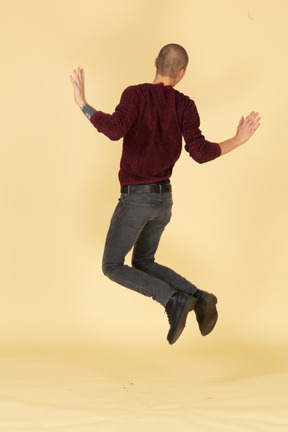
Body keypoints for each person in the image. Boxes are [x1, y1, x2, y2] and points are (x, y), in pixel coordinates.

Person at [69, 44, 260, 345]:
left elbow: (114, 129)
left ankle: (173, 299)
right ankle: (201, 298)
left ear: (156, 62)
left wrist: (83, 103)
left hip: (136, 199)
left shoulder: (135, 94)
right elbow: (200, 152)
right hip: (163, 201)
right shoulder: (185, 105)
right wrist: (237, 139)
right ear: (181, 72)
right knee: (143, 261)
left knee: (112, 265)